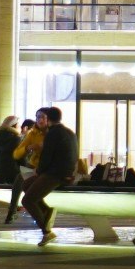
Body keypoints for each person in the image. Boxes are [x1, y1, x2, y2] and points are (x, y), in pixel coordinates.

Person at [22, 105, 78, 247]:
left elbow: (47, 157)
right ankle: (46, 210)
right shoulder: (69, 132)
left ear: (48, 119)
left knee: (27, 200)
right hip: (65, 172)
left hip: (55, 174)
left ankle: (46, 231)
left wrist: (39, 171)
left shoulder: (52, 134)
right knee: (26, 185)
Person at [7, 117, 43, 223]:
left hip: (28, 169)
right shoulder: (25, 138)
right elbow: (21, 156)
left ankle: (12, 211)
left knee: (21, 182)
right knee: (23, 181)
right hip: (28, 169)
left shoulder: (20, 138)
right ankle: (13, 211)